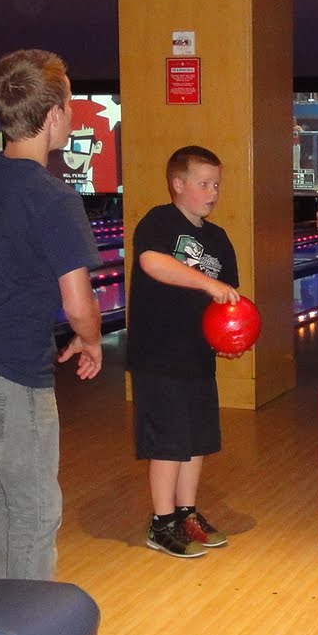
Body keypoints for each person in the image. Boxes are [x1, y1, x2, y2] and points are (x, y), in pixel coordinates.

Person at [0, 49, 110, 635]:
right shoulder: (51, 195)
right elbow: (78, 301)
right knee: (37, 509)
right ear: (56, 116)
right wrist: (90, 341)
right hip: (10, 371)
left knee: (2, 497)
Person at [128, 145, 241, 559]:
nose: (212, 191)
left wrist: (229, 339)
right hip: (158, 353)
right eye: (204, 183)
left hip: (197, 354)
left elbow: (228, 301)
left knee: (196, 440)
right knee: (168, 441)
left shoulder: (218, 238)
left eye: (216, 184)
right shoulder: (159, 222)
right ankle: (161, 522)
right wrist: (206, 282)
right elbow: (153, 263)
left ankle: (186, 512)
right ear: (178, 184)